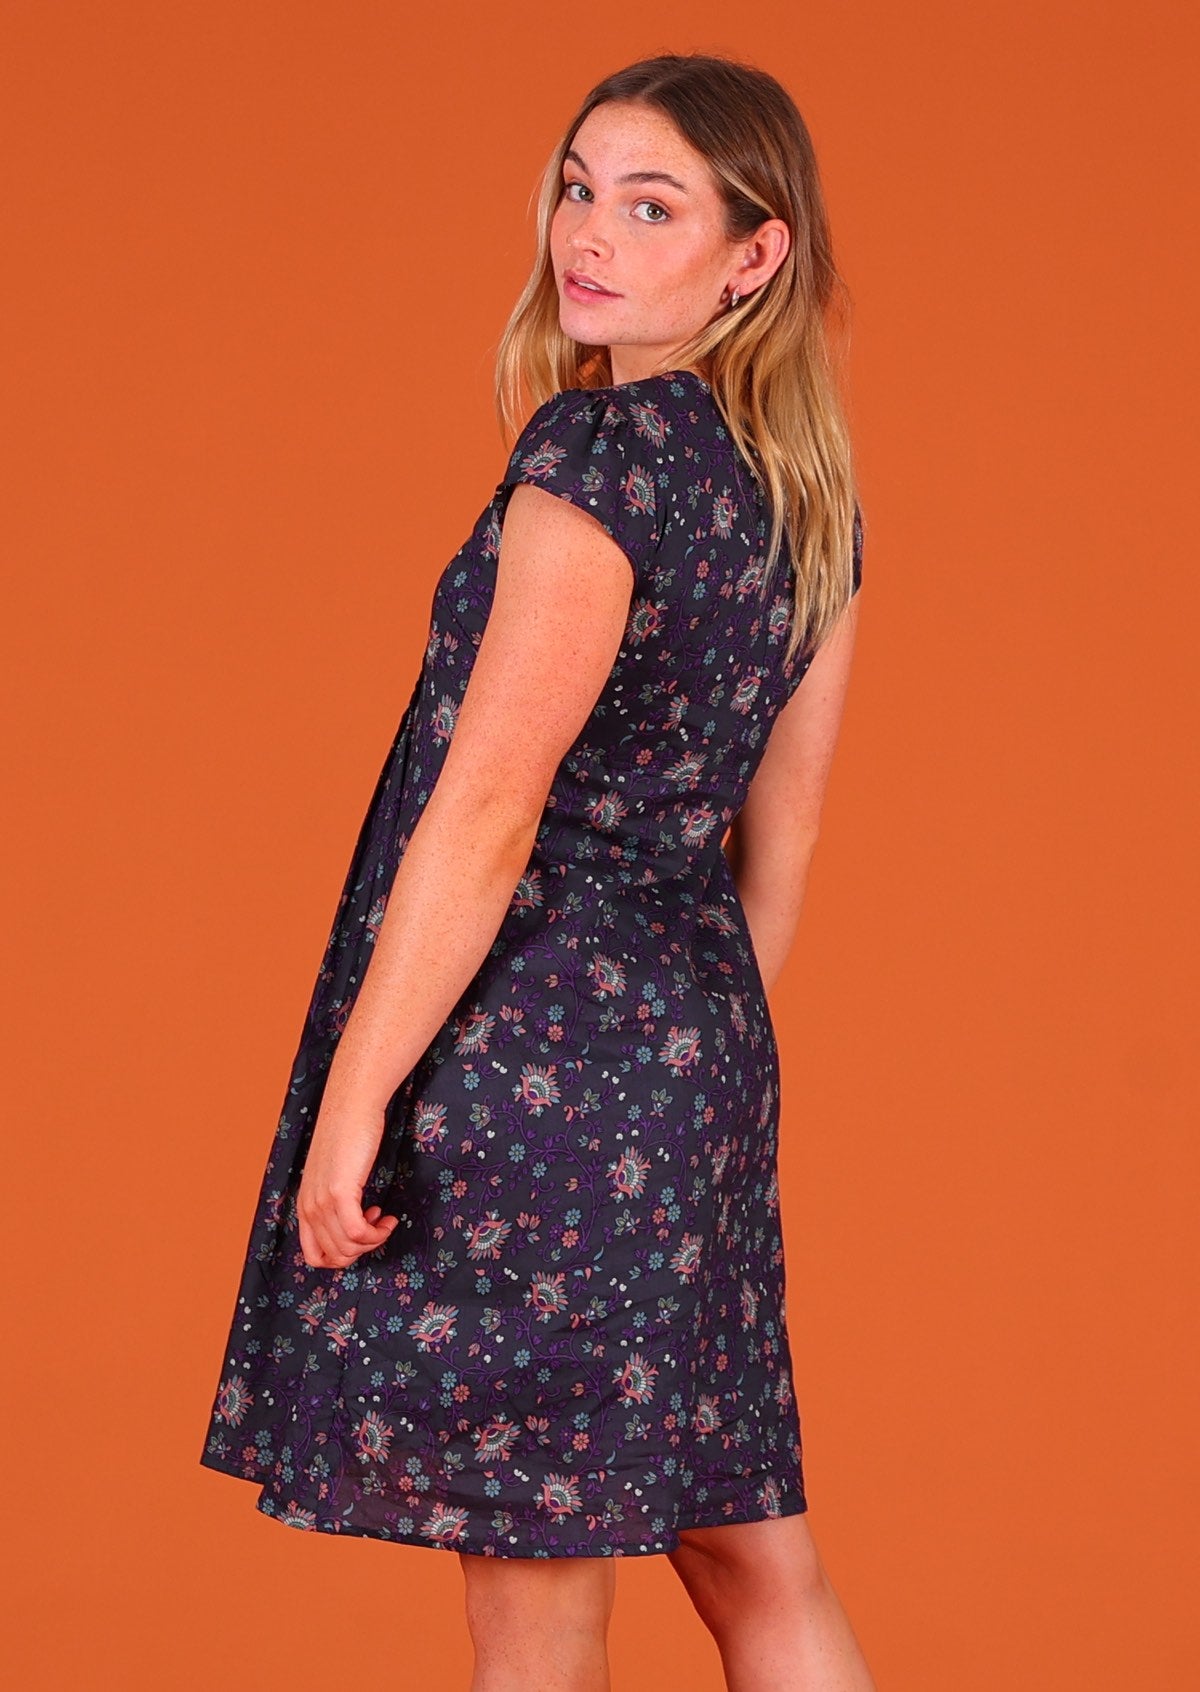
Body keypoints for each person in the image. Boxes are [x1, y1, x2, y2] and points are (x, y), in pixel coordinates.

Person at [200, 50, 879, 1692]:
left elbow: (488, 810)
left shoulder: (600, 466)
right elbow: (771, 859)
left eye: (654, 206)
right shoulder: (818, 509)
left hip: (530, 1071)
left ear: (752, 255)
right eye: (581, 185)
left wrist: (359, 1093)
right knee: (749, 1553)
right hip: (698, 1061)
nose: (591, 233)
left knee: (538, 1583)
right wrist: (685, 1087)